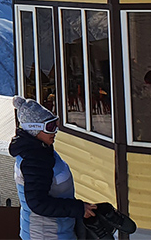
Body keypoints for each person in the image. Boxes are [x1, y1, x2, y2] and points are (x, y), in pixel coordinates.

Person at [9, 95, 95, 240]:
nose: (55, 131)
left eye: (56, 124)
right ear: (34, 129)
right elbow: (38, 203)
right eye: (49, 127)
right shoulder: (34, 160)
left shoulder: (42, 150)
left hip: (58, 231)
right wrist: (78, 208)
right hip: (45, 235)